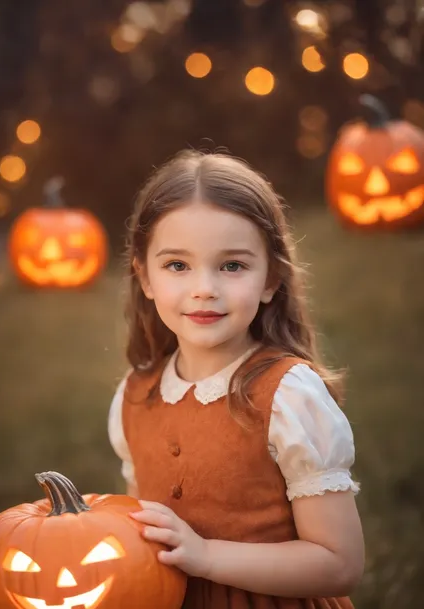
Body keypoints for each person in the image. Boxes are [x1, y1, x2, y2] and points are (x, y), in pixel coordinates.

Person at [108, 149, 364, 609]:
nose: (204, 287)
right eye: (177, 265)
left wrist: (206, 556)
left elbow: (340, 563)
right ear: (144, 276)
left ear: (271, 280)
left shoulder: (289, 397)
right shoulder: (134, 396)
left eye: (232, 265)